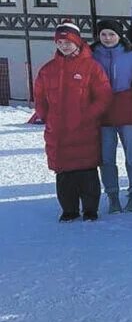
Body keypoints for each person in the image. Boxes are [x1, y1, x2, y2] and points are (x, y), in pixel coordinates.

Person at [35, 22, 113, 222]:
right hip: (59, 131)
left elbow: (103, 96)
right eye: (60, 42)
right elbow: (40, 97)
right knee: (64, 174)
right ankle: (69, 209)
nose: (64, 45)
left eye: (68, 41)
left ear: (77, 41)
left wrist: (88, 115)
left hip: (84, 129)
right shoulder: (48, 69)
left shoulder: (91, 67)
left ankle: (90, 209)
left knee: (87, 172)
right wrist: (46, 117)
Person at [91, 19, 132, 214]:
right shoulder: (91, 56)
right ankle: (112, 195)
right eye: (104, 34)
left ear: (119, 35)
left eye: (112, 34)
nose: (108, 38)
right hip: (103, 114)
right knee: (106, 159)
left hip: (128, 113)